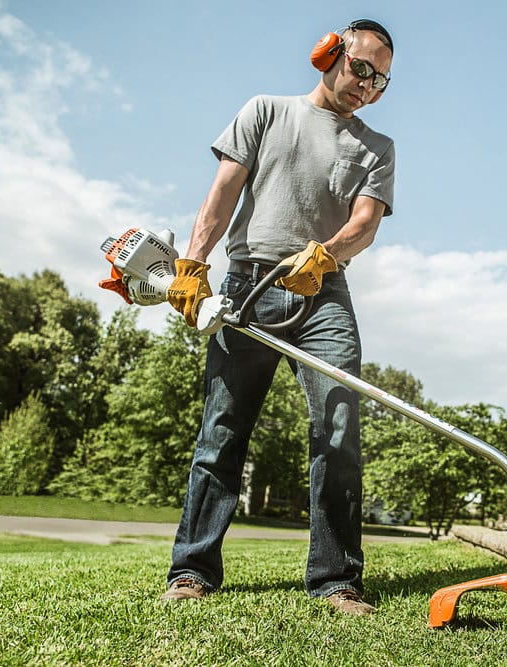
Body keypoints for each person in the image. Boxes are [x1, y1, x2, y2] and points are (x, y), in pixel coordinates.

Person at [162, 19, 395, 616]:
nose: (366, 86)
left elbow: (364, 224)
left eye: (381, 81)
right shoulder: (265, 111)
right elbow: (222, 193)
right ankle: (191, 571)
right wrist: (193, 263)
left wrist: (325, 255)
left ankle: (337, 580)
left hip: (325, 295)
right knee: (223, 428)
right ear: (329, 53)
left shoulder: (377, 148)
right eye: (362, 68)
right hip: (247, 286)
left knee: (338, 427)